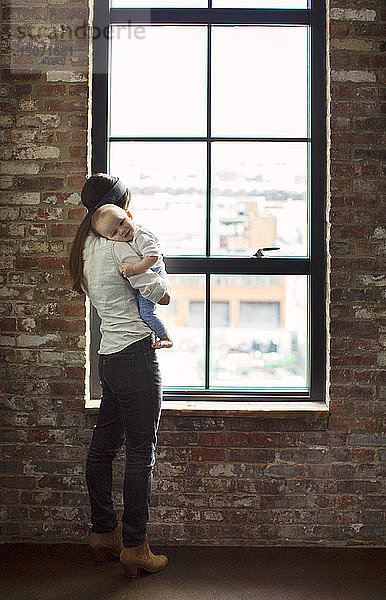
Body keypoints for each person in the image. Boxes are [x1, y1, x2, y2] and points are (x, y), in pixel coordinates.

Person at [69, 173, 169, 578]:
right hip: (136, 358)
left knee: (103, 448)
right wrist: (163, 288)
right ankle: (134, 545)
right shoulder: (118, 247)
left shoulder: (87, 247)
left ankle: (102, 533)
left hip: (109, 360)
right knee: (141, 454)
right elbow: (157, 293)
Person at [91, 203, 173, 349]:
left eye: (122, 223)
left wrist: (134, 269)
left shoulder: (141, 236)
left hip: (155, 271)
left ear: (129, 215)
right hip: (149, 270)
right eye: (114, 233)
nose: (122, 231)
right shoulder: (126, 240)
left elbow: (152, 257)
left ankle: (165, 336)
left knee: (146, 313)